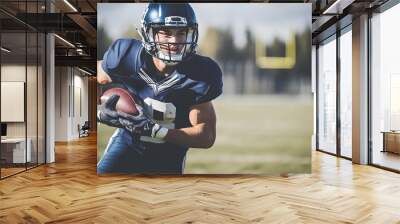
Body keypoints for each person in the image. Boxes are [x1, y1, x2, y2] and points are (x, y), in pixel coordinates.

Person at [97, 3, 223, 174]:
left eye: (181, 32)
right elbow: (92, 76)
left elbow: (206, 135)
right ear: (149, 33)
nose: (175, 41)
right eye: (166, 32)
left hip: (169, 156)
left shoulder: (199, 74)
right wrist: (98, 110)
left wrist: (158, 132)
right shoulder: (126, 56)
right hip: (126, 145)